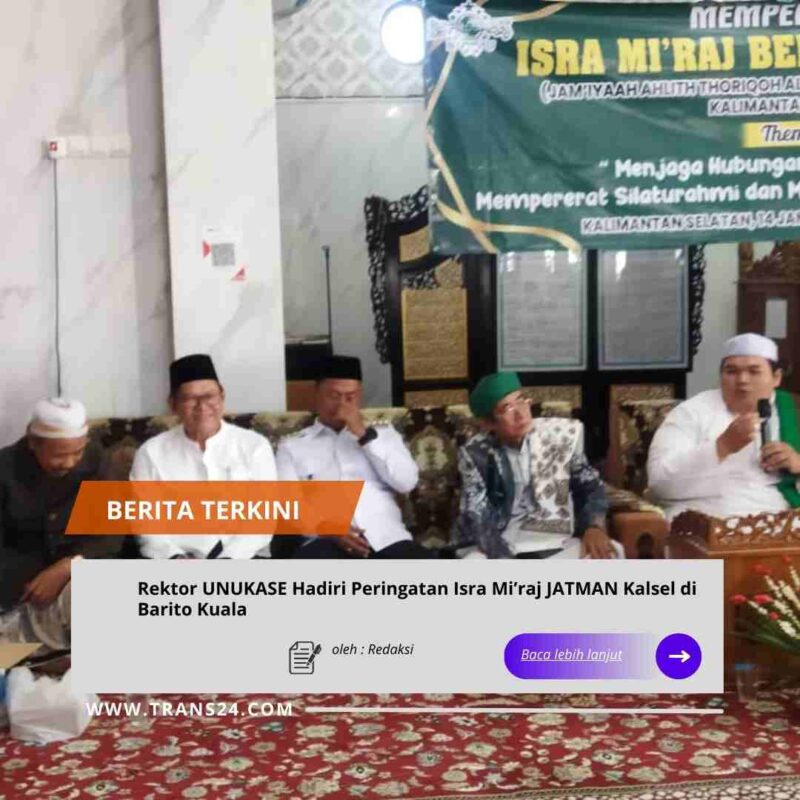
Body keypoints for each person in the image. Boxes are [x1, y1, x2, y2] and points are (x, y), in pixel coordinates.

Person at [276, 355, 434, 558]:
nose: (342, 405)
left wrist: (363, 435)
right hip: (325, 542)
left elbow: (406, 482)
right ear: (317, 394)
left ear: (360, 396)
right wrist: (329, 529)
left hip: (387, 539)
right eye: (334, 396)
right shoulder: (292, 446)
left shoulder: (384, 435)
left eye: (350, 397)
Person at [454, 372, 621, 559]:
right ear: (488, 423)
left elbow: (590, 487)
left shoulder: (559, 437)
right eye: (507, 408)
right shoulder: (476, 454)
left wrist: (593, 526)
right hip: (502, 544)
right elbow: (477, 514)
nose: (520, 414)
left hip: (558, 542)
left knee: (610, 554)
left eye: (521, 400)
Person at [130, 354, 276, 558]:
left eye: (209, 396)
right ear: (173, 404)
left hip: (244, 558)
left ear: (222, 396)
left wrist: (229, 559)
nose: (202, 406)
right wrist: (174, 557)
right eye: (190, 398)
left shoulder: (255, 446)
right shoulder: (151, 452)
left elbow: (262, 521)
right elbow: (145, 523)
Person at [0, 399, 118, 649]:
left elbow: (112, 532)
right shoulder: (5, 469)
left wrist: (69, 565)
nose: (70, 463)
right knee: (10, 652)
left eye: (77, 452)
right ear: (33, 442)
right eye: (59, 455)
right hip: (20, 593)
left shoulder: (97, 460)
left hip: (76, 576)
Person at [648, 333, 800, 520]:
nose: (742, 379)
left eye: (754, 371)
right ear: (721, 377)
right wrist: (722, 447)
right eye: (732, 371)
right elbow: (660, 485)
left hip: (780, 519)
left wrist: (797, 464)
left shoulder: (793, 411)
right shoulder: (691, 413)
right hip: (705, 516)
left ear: (776, 377)